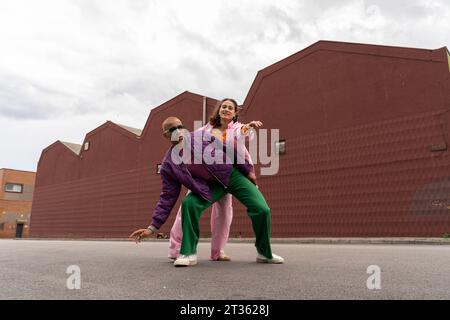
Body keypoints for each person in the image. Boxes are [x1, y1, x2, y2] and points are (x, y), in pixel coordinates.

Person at [129, 116, 284, 267]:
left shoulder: (201, 136)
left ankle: (264, 253)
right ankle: (188, 253)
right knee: (189, 203)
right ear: (166, 135)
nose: (178, 131)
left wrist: (247, 171)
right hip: (210, 186)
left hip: (231, 176)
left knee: (262, 209)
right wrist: (152, 228)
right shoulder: (169, 165)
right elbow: (168, 197)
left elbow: (228, 149)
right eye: (173, 129)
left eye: (180, 126)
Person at [168, 98, 262, 262]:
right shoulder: (206, 129)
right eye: (223, 106)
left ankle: (217, 251)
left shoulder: (237, 128)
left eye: (230, 108)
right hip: (205, 175)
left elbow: (243, 132)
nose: (226, 109)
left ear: (234, 113)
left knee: (224, 214)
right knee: (187, 207)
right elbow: (191, 141)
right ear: (219, 110)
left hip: (226, 176)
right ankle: (176, 249)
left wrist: (249, 127)